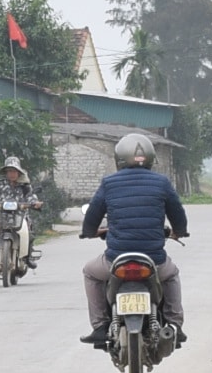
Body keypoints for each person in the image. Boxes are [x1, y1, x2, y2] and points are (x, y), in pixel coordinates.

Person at [79, 132, 189, 349]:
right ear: (150, 158)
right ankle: (175, 325)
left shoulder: (109, 183)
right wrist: (180, 231)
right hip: (154, 260)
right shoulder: (162, 182)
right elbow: (178, 213)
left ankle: (100, 326)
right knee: (171, 275)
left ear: (119, 158)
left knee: (90, 272)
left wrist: (90, 231)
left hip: (116, 259)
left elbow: (92, 214)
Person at [0, 155, 38, 274]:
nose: (12, 174)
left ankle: (28, 257)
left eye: (14, 171)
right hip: (2, 216)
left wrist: (35, 203)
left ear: (18, 172)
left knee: (29, 235)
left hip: (21, 216)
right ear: (5, 172)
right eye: (9, 171)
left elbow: (31, 197)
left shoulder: (25, 185)